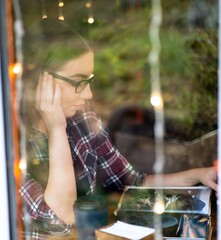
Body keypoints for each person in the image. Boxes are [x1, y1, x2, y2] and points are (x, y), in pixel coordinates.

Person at [19, 19, 217, 239]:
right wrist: (56, 130)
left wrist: (197, 175)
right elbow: (64, 221)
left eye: (89, 81)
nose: (88, 95)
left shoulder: (82, 118)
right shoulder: (10, 149)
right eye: (78, 82)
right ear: (39, 81)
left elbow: (129, 181)